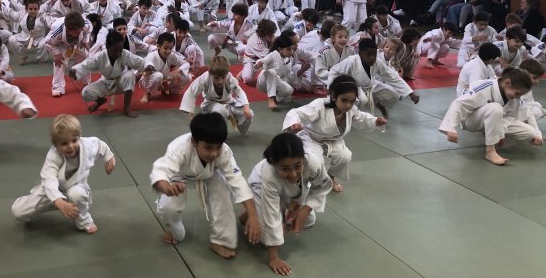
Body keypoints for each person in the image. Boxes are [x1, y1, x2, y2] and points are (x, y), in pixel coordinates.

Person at [150, 112, 261, 258]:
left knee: (223, 194)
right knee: (169, 208)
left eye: (218, 147)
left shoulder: (224, 151)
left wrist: (253, 215)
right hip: (178, 176)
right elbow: (161, 170)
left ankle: (220, 240)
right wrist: (167, 188)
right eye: (208, 148)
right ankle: (174, 229)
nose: (214, 153)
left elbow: (238, 181)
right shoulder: (180, 148)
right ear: (194, 142)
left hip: (211, 173)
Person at [243, 133, 331, 275]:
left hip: (289, 192)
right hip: (261, 187)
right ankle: (251, 211)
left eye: (298, 166)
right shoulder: (269, 174)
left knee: (308, 221)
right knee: (265, 240)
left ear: (303, 158)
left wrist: (304, 211)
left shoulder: (312, 162)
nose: (293, 173)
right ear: (274, 162)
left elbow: (322, 186)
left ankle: (269, 212)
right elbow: (271, 215)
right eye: (285, 169)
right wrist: (274, 258)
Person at [11, 114, 115, 234]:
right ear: (55, 144)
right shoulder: (53, 156)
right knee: (18, 211)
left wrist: (109, 157)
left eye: (74, 140)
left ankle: (84, 221)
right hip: (52, 192)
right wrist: (59, 202)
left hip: (77, 187)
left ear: (79, 136)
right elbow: (49, 180)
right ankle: (53, 204)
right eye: (64, 143)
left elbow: (100, 145)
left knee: (76, 194)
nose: (70, 146)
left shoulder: (87, 145)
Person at [284, 74, 386, 193]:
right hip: (312, 138)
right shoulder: (319, 105)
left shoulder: (351, 110)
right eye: (344, 100)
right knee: (314, 162)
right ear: (333, 96)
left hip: (333, 140)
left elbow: (361, 118)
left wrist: (375, 121)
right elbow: (296, 113)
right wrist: (294, 123)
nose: (348, 105)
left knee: (344, 156)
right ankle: (304, 181)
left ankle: (331, 177)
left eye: (352, 101)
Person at [439, 67, 538, 166]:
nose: (518, 97)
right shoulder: (485, 87)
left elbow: (521, 114)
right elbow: (460, 104)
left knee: (530, 133)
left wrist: (500, 134)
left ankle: (492, 133)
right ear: (507, 83)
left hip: (496, 119)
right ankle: (490, 151)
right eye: (517, 93)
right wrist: (450, 128)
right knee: (495, 108)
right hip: (471, 119)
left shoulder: (514, 97)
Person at [328, 38, 418, 117]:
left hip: (371, 86)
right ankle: (347, 115)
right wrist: (332, 89)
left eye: (374, 54)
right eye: (368, 55)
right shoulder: (351, 61)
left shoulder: (377, 62)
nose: (372, 58)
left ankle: (378, 104)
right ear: (360, 53)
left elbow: (392, 76)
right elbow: (334, 71)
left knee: (394, 95)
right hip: (354, 87)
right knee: (362, 100)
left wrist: (410, 93)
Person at [71, 30, 145, 117]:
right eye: (114, 50)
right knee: (86, 93)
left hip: (121, 84)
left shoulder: (125, 54)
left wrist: (149, 66)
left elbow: (140, 62)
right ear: (107, 47)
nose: (118, 53)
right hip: (106, 83)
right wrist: (75, 71)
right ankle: (100, 101)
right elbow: (86, 65)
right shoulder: (99, 56)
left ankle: (126, 108)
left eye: (120, 50)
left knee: (130, 75)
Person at [180, 56, 253, 135]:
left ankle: (242, 128)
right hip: (211, 105)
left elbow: (239, 92)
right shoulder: (205, 78)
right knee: (220, 110)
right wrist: (191, 115)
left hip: (229, 103)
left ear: (227, 73)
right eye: (216, 78)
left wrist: (246, 107)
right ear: (210, 74)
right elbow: (191, 93)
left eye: (223, 77)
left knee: (249, 114)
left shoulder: (229, 77)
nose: (220, 81)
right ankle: (218, 134)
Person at [45, 12, 92, 97]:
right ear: (67, 29)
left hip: (78, 42)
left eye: (80, 30)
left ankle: (86, 82)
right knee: (59, 62)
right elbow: (47, 43)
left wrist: (85, 40)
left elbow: (88, 30)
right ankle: (57, 88)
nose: (78, 33)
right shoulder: (57, 31)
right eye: (76, 32)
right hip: (62, 45)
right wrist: (57, 54)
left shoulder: (85, 24)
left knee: (85, 57)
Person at [139, 33, 191, 103]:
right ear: (158, 46)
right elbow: (148, 68)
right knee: (158, 76)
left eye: (170, 48)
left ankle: (169, 90)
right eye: (165, 48)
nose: (168, 51)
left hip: (165, 78)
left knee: (187, 76)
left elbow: (186, 64)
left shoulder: (171, 55)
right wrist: (148, 70)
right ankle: (147, 93)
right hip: (150, 80)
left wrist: (177, 70)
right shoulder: (151, 56)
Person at [255, 34, 297, 110]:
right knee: (272, 72)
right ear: (280, 49)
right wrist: (259, 63)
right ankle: (271, 99)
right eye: (288, 49)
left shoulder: (288, 59)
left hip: (276, 81)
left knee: (289, 90)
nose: (291, 51)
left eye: (292, 49)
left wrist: (287, 95)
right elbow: (263, 60)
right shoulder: (273, 54)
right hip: (263, 81)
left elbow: (286, 76)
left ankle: (276, 97)